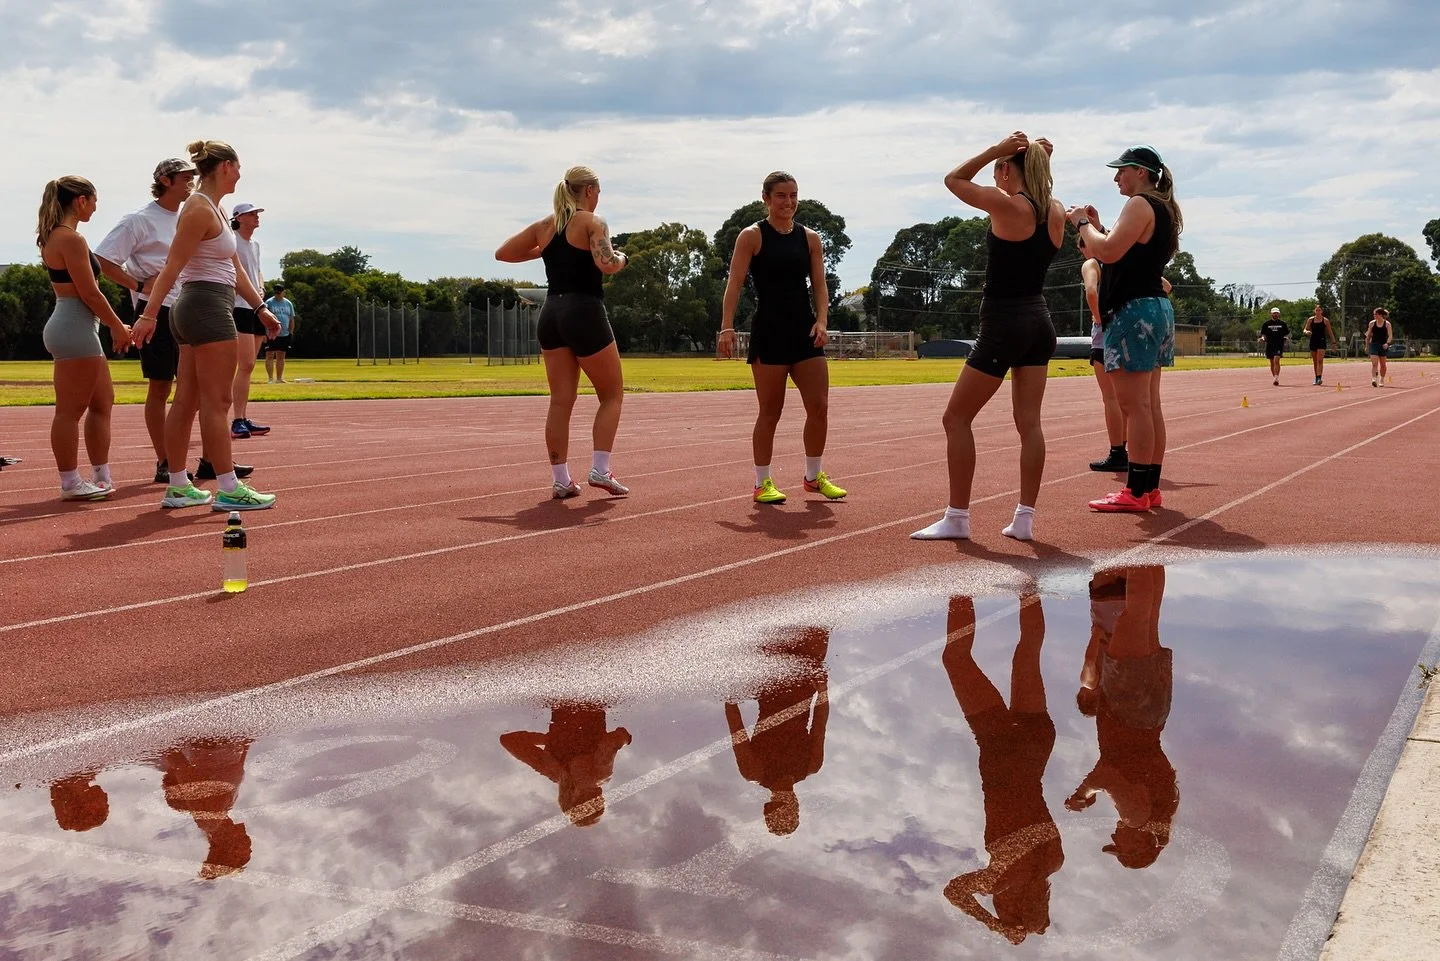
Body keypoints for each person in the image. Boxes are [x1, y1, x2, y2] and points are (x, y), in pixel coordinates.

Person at [912, 133, 1062, 540]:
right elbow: (1043, 188)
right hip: (1040, 323)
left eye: (1000, 166)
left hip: (1005, 324)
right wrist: (1035, 158)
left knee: (955, 418)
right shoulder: (1056, 210)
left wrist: (996, 149)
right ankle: (1024, 520)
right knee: (1029, 423)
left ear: (1005, 169)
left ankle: (957, 518)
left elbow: (954, 179)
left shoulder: (1007, 204)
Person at [134, 140, 279, 511]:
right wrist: (149, 315)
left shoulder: (212, 207)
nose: (241, 174)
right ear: (226, 166)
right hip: (205, 307)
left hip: (199, 306)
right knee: (218, 402)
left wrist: (260, 307)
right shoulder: (199, 208)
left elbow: (234, 268)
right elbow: (172, 265)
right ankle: (229, 487)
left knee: (187, 401)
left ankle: (179, 485)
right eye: (239, 166)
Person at [96, 158, 254, 484]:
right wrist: (139, 287)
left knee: (195, 392)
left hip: (186, 304)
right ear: (166, 181)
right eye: (184, 178)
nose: (191, 182)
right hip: (161, 309)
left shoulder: (194, 211)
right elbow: (103, 259)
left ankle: (211, 460)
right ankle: (166, 461)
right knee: (161, 387)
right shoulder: (139, 220)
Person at [495, 165, 631, 499]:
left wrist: (543, 250)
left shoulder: (546, 225)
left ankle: (561, 479)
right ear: (588, 191)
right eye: (598, 192)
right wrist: (624, 258)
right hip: (583, 310)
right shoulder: (591, 222)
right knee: (612, 394)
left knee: (560, 401)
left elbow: (503, 253)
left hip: (551, 314)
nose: (599, 199)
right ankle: (600, 469)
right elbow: (606, 264)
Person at [718, 172, 848, 505]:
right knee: (770, 412)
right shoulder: (752, 237)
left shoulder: (810, 238)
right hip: (770, 331)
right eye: (780, 196)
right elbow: (734, 284)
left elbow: (819, 285)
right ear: (766, 198)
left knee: (819, 408)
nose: (788, 202)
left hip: (804, 331)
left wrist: (822, 320)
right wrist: (727, 326)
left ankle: (813, 476)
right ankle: (763, 483)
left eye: (793, 195)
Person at [941, 593, 1062, 945]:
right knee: (955, 659)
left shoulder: (1053, 862)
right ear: (1011, 905)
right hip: (1002, 749)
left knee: (1027, 653)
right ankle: (960, 591)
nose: (995, 904)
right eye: (1000, 908)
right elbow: (955, 891)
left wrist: (1028, 921)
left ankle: (1029, 589)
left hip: (1036, 748)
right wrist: (993, 924)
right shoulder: (1005, 876)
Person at [1069, 145, 1182, 513]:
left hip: (1134, 312)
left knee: (1134, 407)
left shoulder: (1139, 205)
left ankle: (1135, 491)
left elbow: (1110, 253)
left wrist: (1082, 225)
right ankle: (1148, 488)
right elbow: (1127, 252)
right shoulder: (1163, 210)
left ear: (1141, 172)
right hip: (1155, 309)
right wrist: (1100, 228)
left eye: (1122, 171)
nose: (1117, 177)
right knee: (1150, 406)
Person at [1067, 567, 1178, 871]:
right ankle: (1142, 556)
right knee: (1133, 618)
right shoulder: (1135, 818)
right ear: (1138, 845)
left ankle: (1152, 558)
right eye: (1120, 846)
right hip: (1129, 711)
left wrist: (1091, 792)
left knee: (1148, 620)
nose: (1115, 837)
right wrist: (1083, 793)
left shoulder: (1160, 810)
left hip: (1152, 715)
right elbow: (1108, 775)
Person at [36, 176, 132, 501]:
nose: (95, 206)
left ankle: (101, 476)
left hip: (76, 327)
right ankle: (69, 483)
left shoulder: (60, 237)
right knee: (69, 411)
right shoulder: (70, 240)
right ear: (80, 201)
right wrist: (118, 326)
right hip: (74, 327)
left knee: (103, 403)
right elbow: (90, 293)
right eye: (94, 200)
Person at [724, 627, 829, 836]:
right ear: (797, 804)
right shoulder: (811, 765)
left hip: (770, 682)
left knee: (772, 623)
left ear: (769, 805)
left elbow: (737, 729)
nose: (786, 799)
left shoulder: (753, 771)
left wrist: (730, 696)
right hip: (804, 680)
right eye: (790, 806)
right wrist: (822, 691)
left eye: (778, 805)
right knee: (818, 622)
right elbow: (820, 723)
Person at [500, 704, 632, 826]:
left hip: (581, 700)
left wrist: (626, 738)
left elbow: (612, 741)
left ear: (574, 796)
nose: (599, 793)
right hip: (573, 701)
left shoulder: (596, 773)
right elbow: (509, 741)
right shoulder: (554, 770)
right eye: (600, 798)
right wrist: (548, 739)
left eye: (595, 798)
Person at [1082, 236, 1127, 472]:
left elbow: (1091, 292)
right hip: (1126, 333)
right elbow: (1165, 286)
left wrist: (1100, 319)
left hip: (1104, 338)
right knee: (1127, 399)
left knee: (1110, 399)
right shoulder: (1121, 263)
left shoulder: (1092, 264)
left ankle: (1116, 452)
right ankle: (1127, 449)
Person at [229, 202, 271, 437]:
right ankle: (236, 420)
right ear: (239, 217)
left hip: (255, 307)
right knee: (244, 365)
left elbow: (257, 271)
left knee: (249, 366)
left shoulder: (254, 245)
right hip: (238, 307)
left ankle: (242, 416)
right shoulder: (232, 241)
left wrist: (260, 288)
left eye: (257, 213)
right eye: (252, 213)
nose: (257, 217)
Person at [263, 284, 296, 383]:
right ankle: (270, 379)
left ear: (283, 292)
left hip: (284, 333)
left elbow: (291, 319)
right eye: (276, 292)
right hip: (271, 333)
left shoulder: (288, 303)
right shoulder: (269, 302)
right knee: (269, 355)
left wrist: (291, 332)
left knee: (281, 356)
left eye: (280, 292)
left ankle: (279, 378)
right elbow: (264, 318)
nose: (278, 294)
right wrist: (265, 333)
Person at [1303, 304, 1337, 385]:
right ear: (1314, 311)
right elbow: (1305, 329)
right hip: (1313, 341)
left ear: (1322, 311)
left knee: (1320, 360)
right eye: (1316, 310)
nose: (1318, 312)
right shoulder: (1310, 320)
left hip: (1321, 341)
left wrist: (1334, 343)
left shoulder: (1325, 320)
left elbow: (1330, 332)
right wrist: (1306, 332)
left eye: (1319, 310)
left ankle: (1319, 378)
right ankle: (1316, 377)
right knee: (1315, 361)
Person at [1258, 307, 1290, 386]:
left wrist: (1286, 338)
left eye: (1277, 313)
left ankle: (1276, 377)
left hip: (1279, 344)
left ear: (1279, 314)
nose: (1275, 314)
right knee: (1272, 362)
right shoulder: (1266, 324)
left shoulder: (1283, 324)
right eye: (1274, 313)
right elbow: (1263, 334)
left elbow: (1286, 333)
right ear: (1271, 314)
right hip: (1270, 345)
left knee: (1276, 360)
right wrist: (1262, 339)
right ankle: (1275, 377)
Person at [1366, 307, 1393, 387]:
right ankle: (1374, 379)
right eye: (1374, 314)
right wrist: (1367, 345)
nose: (1374, 316)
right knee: (1374, 364)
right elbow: (1368, 335)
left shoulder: (1387, 324)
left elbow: (1390, 336)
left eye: (1376, 314)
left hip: (1383, 345)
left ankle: (1381, 380)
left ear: (1380, 315)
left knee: (1383, 365)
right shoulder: (1372, 323)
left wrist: (1387, 343)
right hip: (1374, 344)